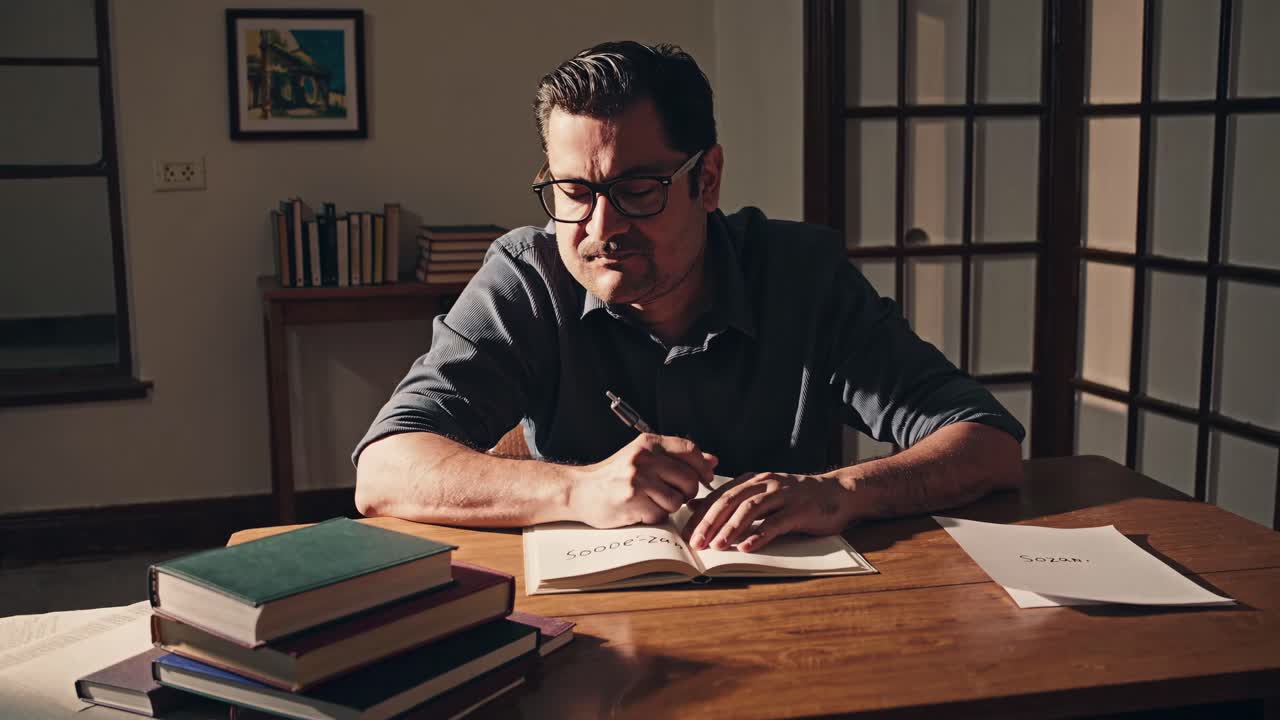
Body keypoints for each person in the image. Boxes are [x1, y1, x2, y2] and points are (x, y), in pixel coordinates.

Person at [353, 41, 1024, 552]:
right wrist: (580, 488)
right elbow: (383, 472)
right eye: (575, 192)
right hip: (589, 617)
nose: (600, 228)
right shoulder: (526, 276)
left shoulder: (801, 274)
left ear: (708, 178)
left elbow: (988, 444)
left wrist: (840, 493)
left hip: (794, 612)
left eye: (638, 190)